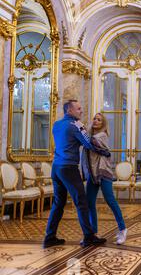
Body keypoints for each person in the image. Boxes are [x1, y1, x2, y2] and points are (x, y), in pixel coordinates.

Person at [43, 100, 110, 248]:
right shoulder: (75, 126)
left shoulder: (56, 125)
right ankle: (88, 236)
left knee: (58, 203)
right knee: (82, 202)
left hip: (56, 168)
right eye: (78, 109)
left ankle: (49, 237)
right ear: (70, 111)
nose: (81, 111)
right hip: (69, 168)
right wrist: (105, 151)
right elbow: (89, 143)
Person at [81, 113, 127, 245]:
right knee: (89, 202)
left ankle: (123, 229)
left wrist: (80, 129)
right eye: (94, 118)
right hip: (93, 173)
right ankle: (92, 233)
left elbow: (91, 142)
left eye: (99, 120)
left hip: (103, 172)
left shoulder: (102, 135)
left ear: (103, 124)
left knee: (110, 200)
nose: (95, 121)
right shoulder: (89, 135)